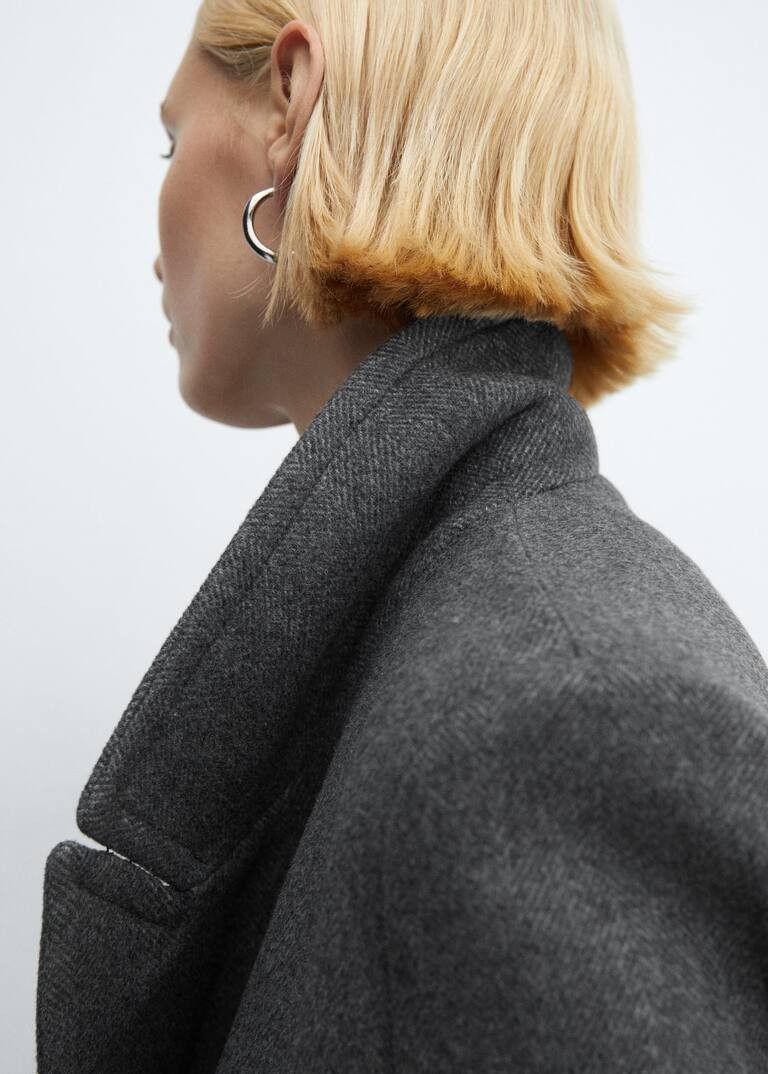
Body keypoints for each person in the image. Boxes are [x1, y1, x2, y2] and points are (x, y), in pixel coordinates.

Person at [36, 2, 768, 1072]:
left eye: (170, 140)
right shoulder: (472, 647)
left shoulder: (560, 723)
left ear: (290, 103)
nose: (151, 243)